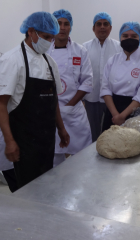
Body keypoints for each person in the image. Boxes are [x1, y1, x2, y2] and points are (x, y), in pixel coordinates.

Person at [0, 11, 70, 192]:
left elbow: (53, 101)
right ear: (31, 32)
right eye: (46, 37)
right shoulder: (12, 59)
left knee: (44, 187)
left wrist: (61, 129)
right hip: (22, 141)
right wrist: (9, 141)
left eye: (51, 38)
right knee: (25, 192)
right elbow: (1, 105)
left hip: (46, 140)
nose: (49, 42)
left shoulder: (49, 62)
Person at [47, 9, 93, 167]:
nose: (62, 27)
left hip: (74, 113)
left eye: (66, 24)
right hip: (51, 111)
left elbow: (87, 82)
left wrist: (69, 106)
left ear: (70, 27)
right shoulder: (44, 51)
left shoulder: (80, 51)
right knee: (54, 157)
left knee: (82, 157)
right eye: (59, 23)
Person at [100, 21, 140, 130]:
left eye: (134, 36)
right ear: (120, 38)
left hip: (136, 112)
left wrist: (122, 116)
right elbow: (105, 89)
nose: (129, 38)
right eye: (125, 36)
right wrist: (115, 115)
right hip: (113, 112)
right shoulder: (113, 60)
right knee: (109, 144)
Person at [83, 12, 122, 142]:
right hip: (91, 98)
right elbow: (80, 73)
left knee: (112, 132)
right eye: (98, 24)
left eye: (106, 24)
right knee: (92, 131)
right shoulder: (84, 48)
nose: (102, 27)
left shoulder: (119, 48)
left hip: (113, 98)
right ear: (93, 28)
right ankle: (93, 156)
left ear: (110, 28)